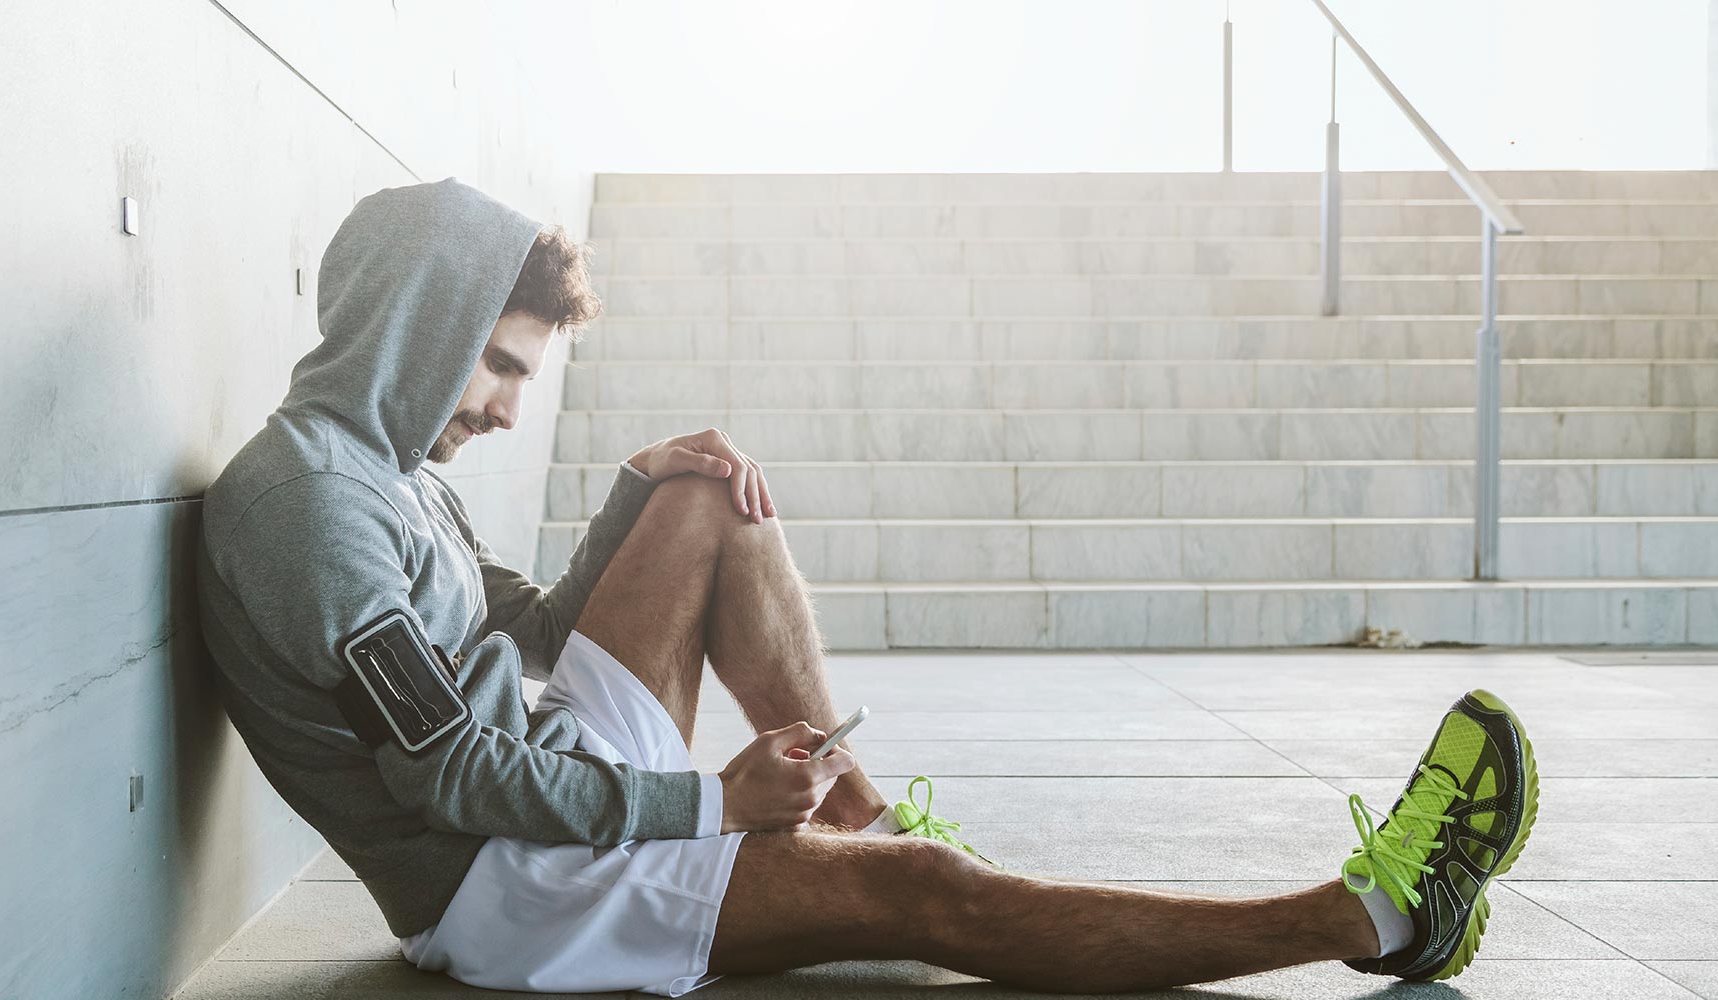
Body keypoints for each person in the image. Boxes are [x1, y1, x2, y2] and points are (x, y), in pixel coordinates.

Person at [196, 177, 1540, 996]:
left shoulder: (387, 471)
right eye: (496, 364)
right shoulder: (311, 508)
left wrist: (631, 493)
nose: (501, 408)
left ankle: (864, 816)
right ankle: (1378, 918)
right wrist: (708, 803)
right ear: (415, 325)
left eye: (520, 377)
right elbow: (448, 779)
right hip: (509, 885)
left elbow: (533, 633)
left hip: (543, 778)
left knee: (706, 488)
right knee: (934, 897)